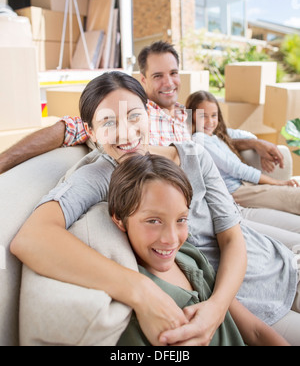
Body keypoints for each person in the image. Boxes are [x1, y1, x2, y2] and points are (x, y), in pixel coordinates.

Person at [10, 72, 300, 345]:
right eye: (108, 122)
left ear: (148, 114)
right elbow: (31, 238)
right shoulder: (98, 176)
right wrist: (140, 290)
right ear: (92, 133)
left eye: (134, 115)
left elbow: (233, 237)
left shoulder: (194, 155)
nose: (126, 132)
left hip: (270, 264)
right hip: (243, 302)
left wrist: (217, 307)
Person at [0, 41, 284, 174]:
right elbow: (68, 128)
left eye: (173, 73)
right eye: (158, 76)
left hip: (212, 190)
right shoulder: (134, 113)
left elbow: (215, 132)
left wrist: (256, 143)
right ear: (143, 80)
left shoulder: (182, 114)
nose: (169, 82)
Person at [109, 153, 289, 346]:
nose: (171, 239)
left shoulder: (189, 255)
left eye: (181, 219)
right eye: (153, 221)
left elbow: (255, 331)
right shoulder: (141, 311)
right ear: (119, 219)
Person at [186, 90, 300, 219]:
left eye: (214, 115)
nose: (210, 121)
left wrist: (258, 145)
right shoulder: (199, 139)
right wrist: (277, 182)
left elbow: (248, 136)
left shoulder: (215, 136)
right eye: (203, 116)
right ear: (191, 116)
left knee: (293, 196)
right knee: (294, 197)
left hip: (245, 186)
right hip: (237, 191)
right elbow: (235, 169)